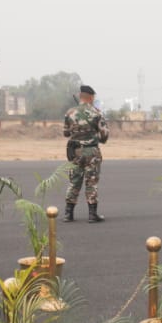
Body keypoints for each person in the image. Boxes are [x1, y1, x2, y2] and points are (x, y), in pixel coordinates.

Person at [63, 84, 109, 223]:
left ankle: (68, 214)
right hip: (92, 151)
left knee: (74, 182)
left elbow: (66, 133)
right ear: (90, 97)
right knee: (91, 182)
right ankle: (92, 214)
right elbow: (104, 136)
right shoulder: (97, 113)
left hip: (75, 152)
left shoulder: (70, 113)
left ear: (80, 97)